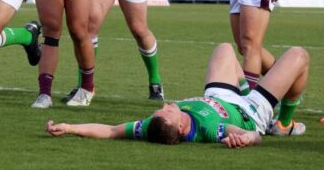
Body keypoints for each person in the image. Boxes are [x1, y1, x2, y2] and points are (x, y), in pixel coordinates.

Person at [45, 43, 308, 145]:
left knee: (225, 49)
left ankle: (246, 87)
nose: (168, 104)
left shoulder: (153, 126)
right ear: (182, 127)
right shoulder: (210, 128)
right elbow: (252, 137)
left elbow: (111, 131)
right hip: (250, 111)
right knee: (299, 55)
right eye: (169, 110)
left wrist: (71, 127)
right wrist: (247, 140)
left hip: (219, 97)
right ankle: (282, 123)